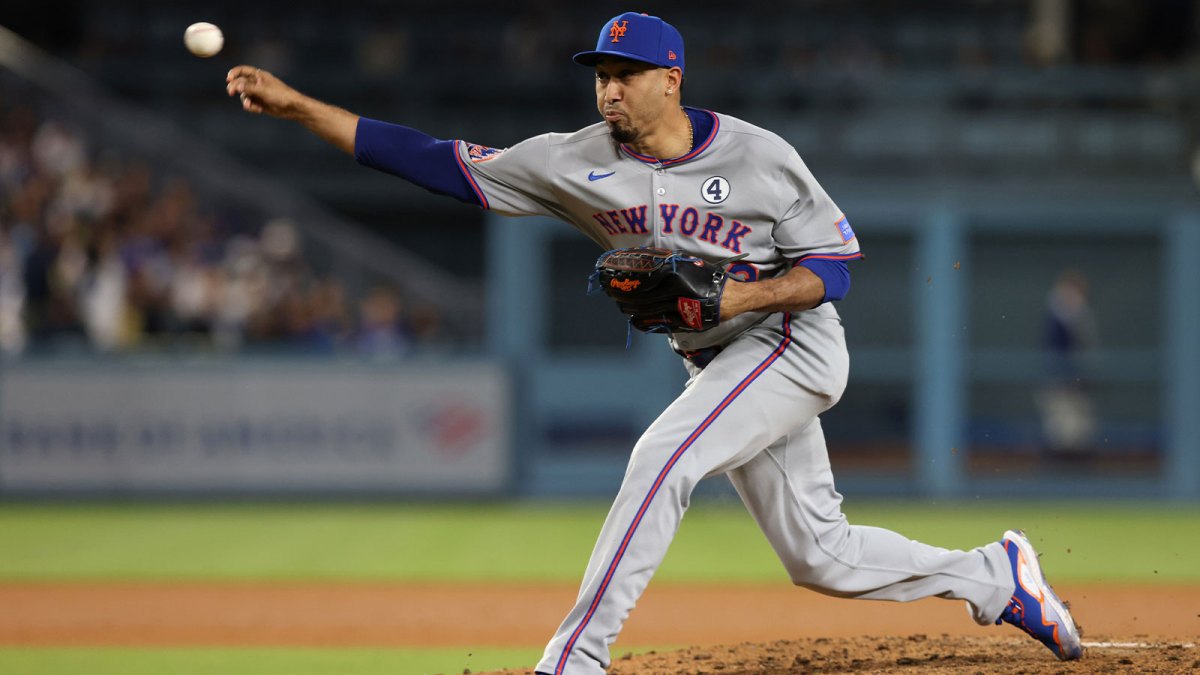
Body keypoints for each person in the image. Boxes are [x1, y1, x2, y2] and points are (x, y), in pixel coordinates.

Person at [226, 11, 1084, 673]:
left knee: (661, 457)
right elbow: (432, 160)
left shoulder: (758, 155)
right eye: (600, 73)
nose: (608, 89)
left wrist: (737, 293)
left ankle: (576, 655)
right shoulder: (572, 159)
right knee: (822, 556)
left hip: (790, 342)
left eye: (625, 74)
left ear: (670, 79)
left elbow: (835, 270)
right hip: (719, 362)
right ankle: (995, 575)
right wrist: (299, 106)